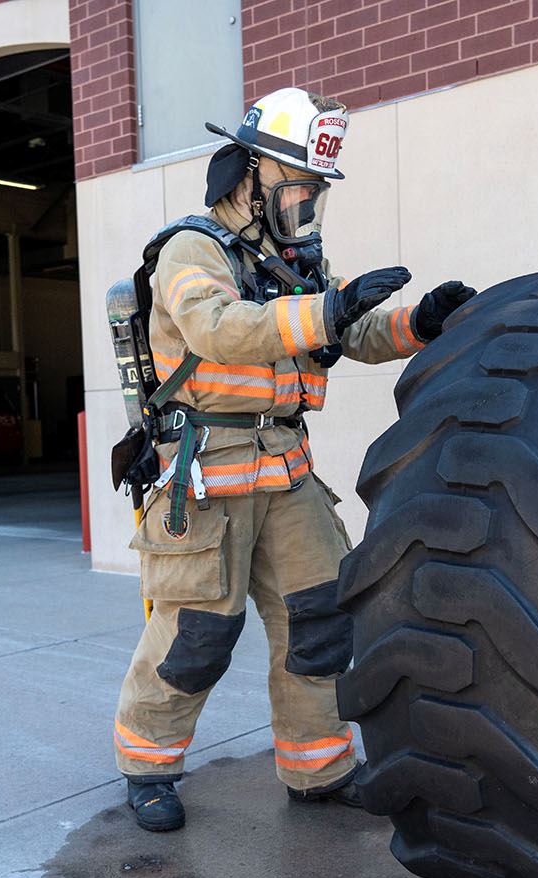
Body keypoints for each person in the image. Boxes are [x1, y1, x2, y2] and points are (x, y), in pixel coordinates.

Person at [112, 88, 476, 832]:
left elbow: (348, 335)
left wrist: (422, 322)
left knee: (318, 622)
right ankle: (147, 766)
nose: (308, 201)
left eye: (314, 189)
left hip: (285, 468)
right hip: (204, 474)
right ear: (250, 174)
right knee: (196, 635)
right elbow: (218, 328)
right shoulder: (192, 250)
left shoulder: (295, 261)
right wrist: (326, 309)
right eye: (298, 184)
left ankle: (318, 768)